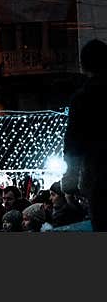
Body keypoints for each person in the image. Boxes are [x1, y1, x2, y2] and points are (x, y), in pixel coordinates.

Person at [62, 38, 107, 231]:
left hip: (99, 176)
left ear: (83, 65)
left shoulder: (83, 98)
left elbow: (73, 143)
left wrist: (70, 182)